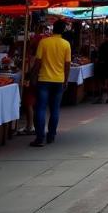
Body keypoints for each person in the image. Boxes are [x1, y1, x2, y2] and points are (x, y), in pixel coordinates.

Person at [29, 19, 71, 147]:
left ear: (53, 28)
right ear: (63, 30)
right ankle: (51, 135)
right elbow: (67, 65)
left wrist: (33, 77)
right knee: (55, 109)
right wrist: (66, 80)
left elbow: (37, 63)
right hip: (58, 80)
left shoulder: (44, 42)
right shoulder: (66, 44)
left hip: (44, 79)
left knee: (40, 108)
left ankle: (39, 137)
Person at [93, 28, 108, 104]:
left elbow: (99, 55)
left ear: (104, 35)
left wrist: (96, 50)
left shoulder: (102, 44)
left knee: (101, 82)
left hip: (102, 64)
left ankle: (100, 98)